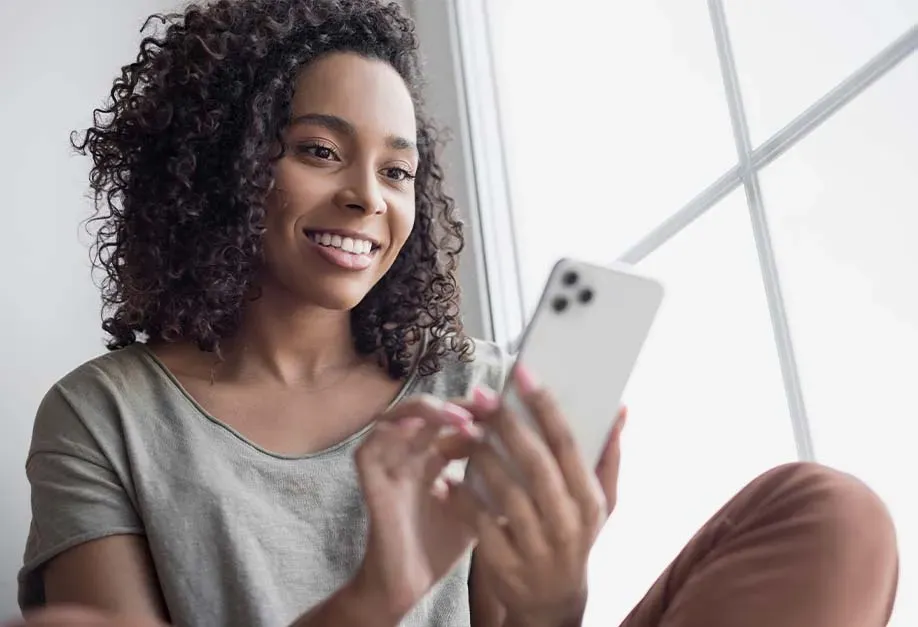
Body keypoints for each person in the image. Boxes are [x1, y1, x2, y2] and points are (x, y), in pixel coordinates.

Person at [15, 1, 899, 626]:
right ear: (223, 163)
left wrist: (553, 593)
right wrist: (377, 594)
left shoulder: (468, 385)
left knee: (829, 512)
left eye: (397, 171)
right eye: (321, 151)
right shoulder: (106, 416)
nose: (367, 197)